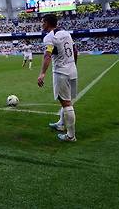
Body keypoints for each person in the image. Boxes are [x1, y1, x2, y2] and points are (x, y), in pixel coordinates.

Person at [37, 14, 78, 142]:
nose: (42, 24)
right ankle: (61, 124)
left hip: (61, 72)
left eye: (43, 22)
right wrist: (73, 65)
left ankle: (71, 136)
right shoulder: (66, 33)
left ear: (48, 23)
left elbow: (47, 55)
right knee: (66, 99)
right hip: (72, 70)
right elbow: (75, 50)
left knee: (66, 103)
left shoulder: (49, 37)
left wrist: (42, 73)